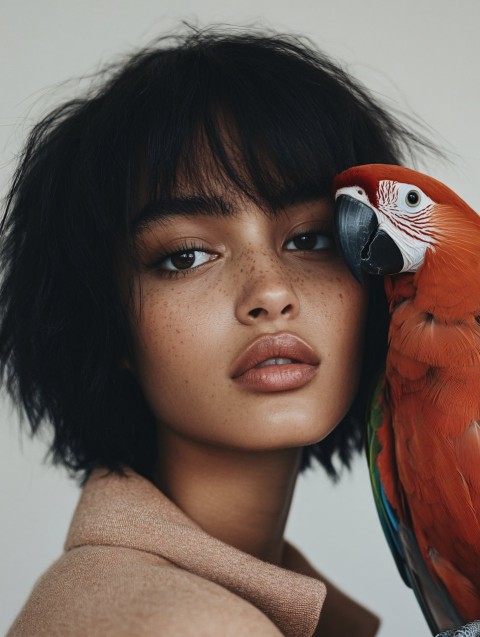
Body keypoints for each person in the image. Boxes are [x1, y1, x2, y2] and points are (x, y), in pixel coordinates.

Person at [2, 28, 431, 636]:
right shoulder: (192, 624)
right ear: (108, 322)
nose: (271, 292)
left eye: (310, 240)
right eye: (184, 256)